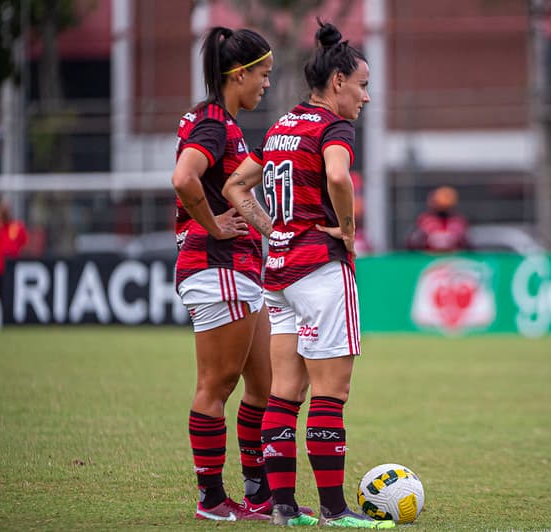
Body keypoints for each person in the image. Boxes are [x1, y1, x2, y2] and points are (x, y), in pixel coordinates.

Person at [223, 20, 394, 529]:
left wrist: (273, 228)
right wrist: (346, 228)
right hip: (320, 270)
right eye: (362, 85)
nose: (366, 97)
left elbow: (236, 186)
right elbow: (339, 175)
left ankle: (281, 506)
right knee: (330, 394)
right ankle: (334, 511)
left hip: (278, 275)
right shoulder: (334, 127)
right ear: (337, 81)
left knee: (284, 393)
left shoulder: (281, 126)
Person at [171, 26, 311, 522]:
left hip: (240, 267)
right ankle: (211, 500)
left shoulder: (221, 121)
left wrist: (274, 233)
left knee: (265, 383)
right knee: (217, 384)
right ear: (240, 74)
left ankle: (258, 494)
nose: (267, 85)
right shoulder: (212, 123)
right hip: (217, 266)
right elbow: (184, 178)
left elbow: (233, 190)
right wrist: (212, 225)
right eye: (264, 75)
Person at [0, 197, 29, 331]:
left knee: (11, 295)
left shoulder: (17, 227)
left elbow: (25, 245)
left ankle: (10, 321)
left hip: (12, 268)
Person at [406, 186, 470, 252]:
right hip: (428, 258)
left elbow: (466, 244)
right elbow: (412, 243)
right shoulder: (425, 220)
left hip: (453, 258)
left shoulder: (458, 221)